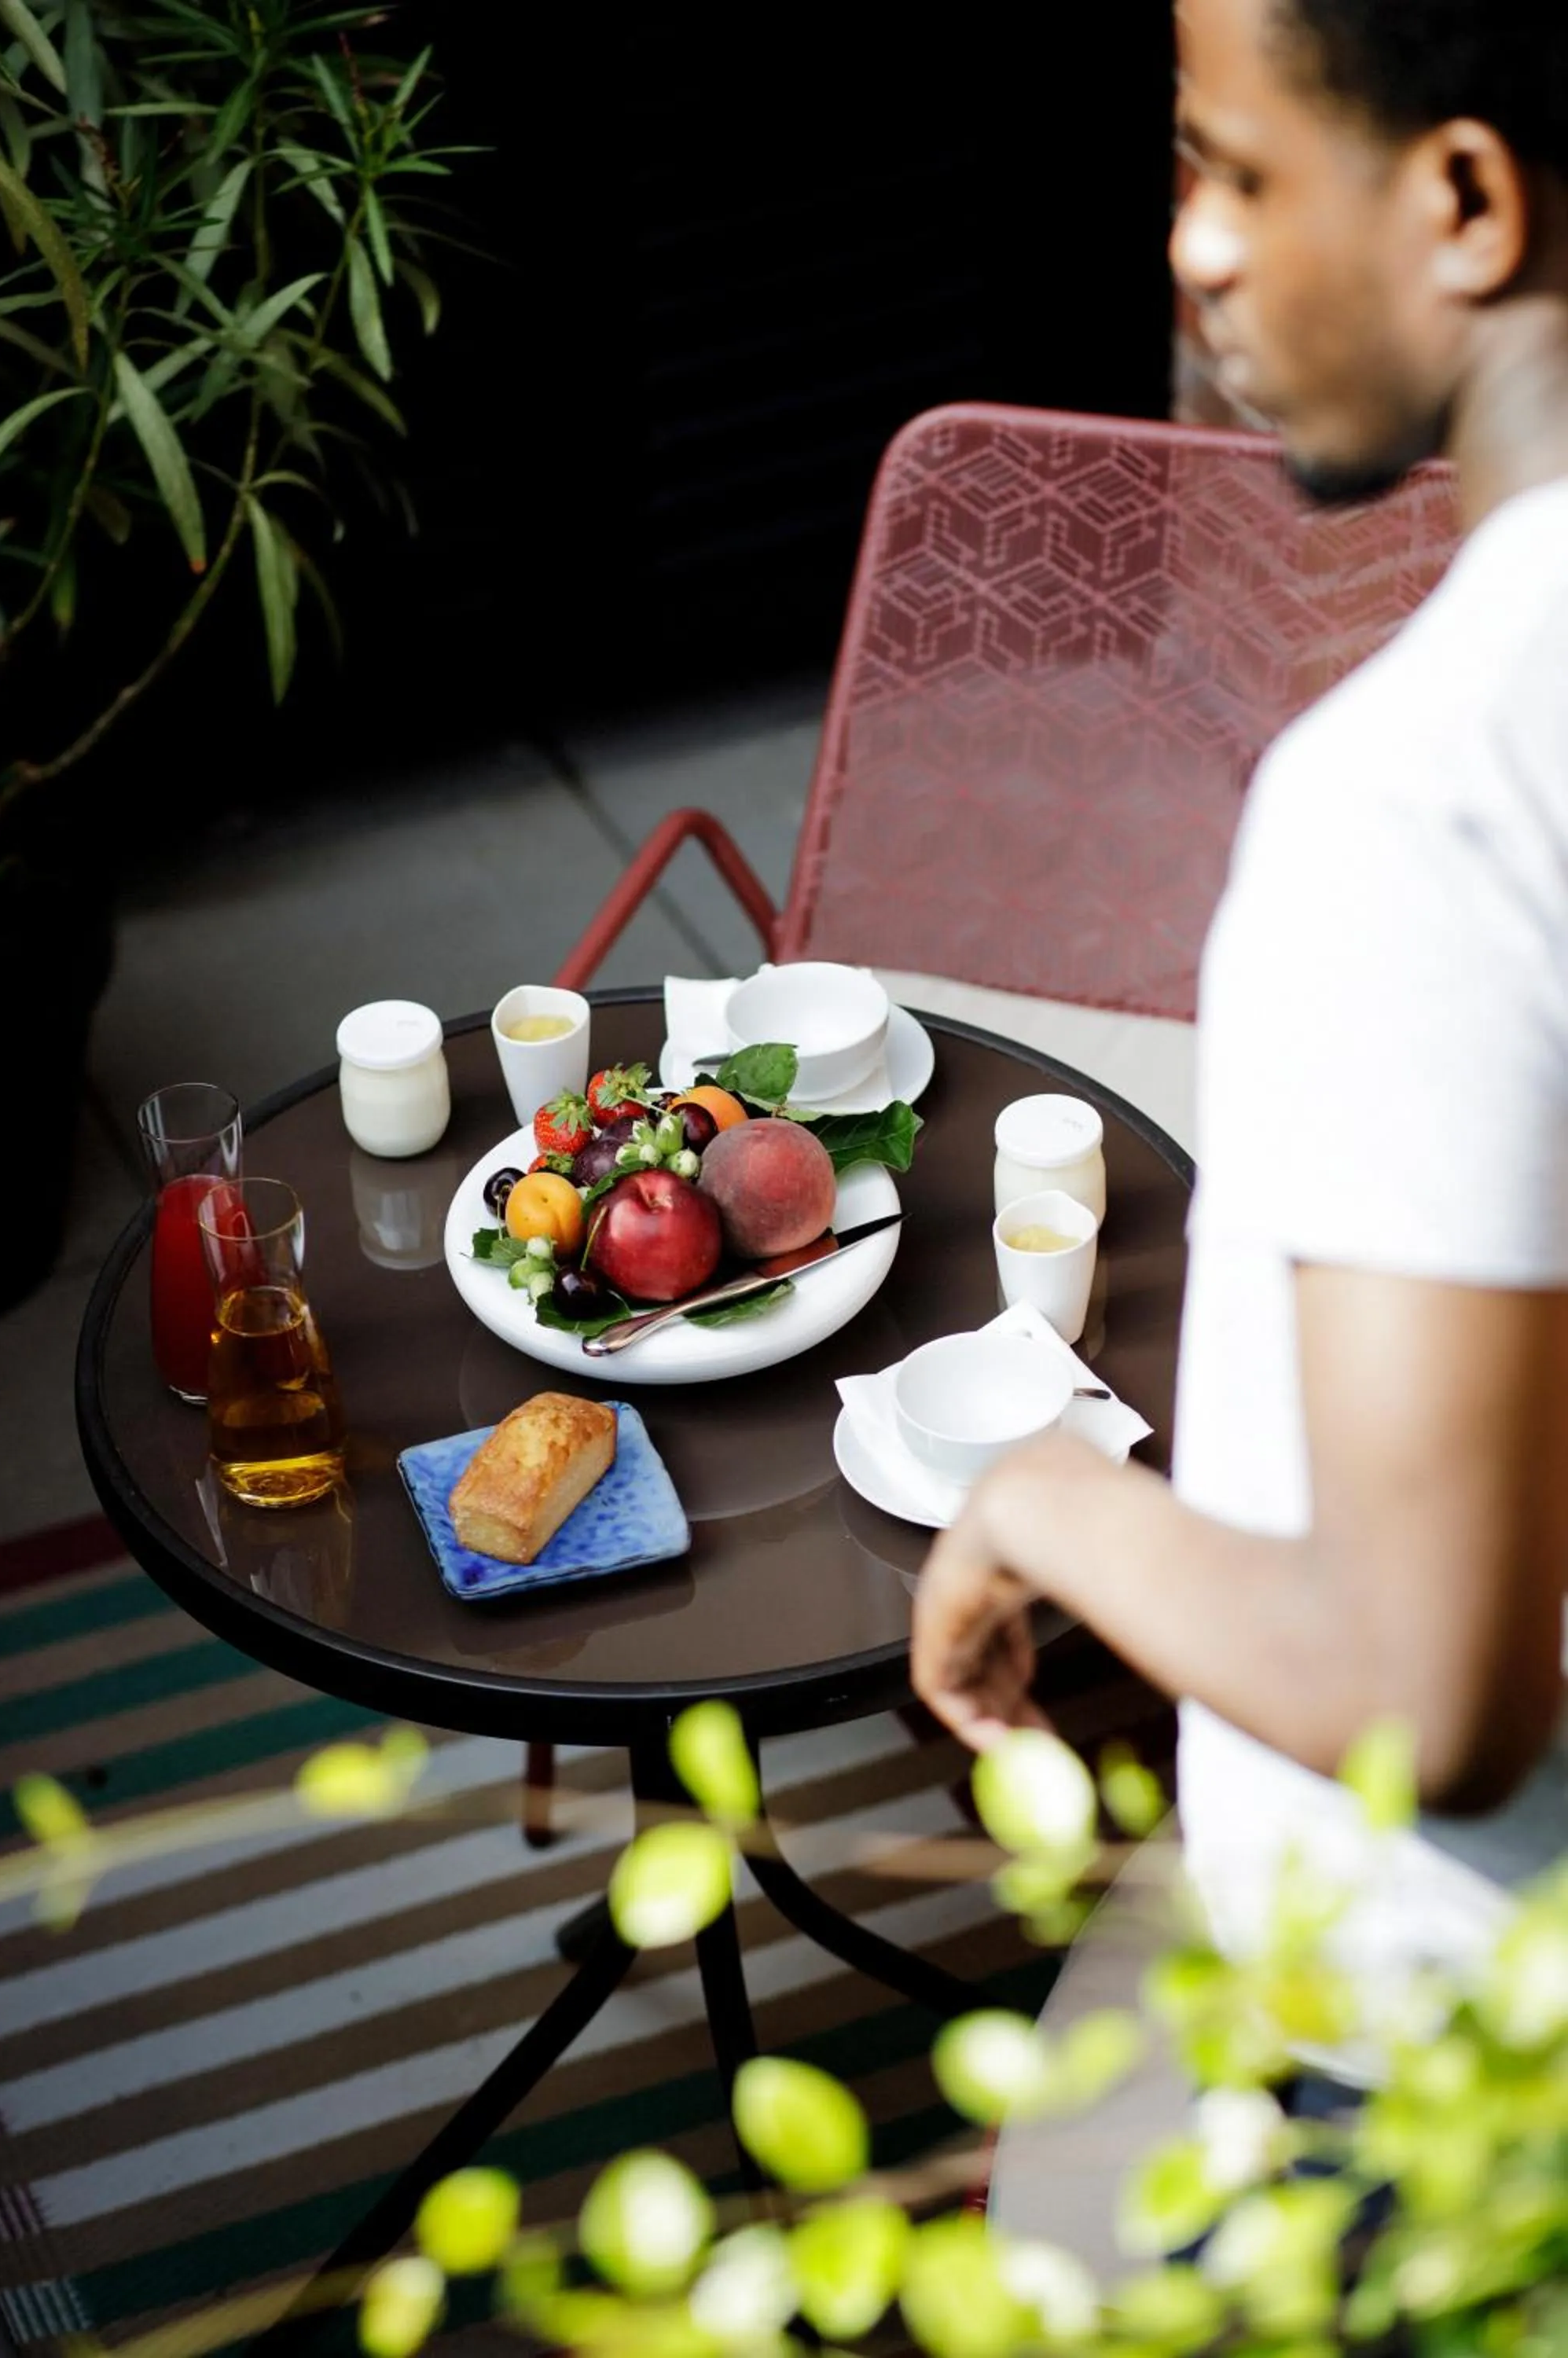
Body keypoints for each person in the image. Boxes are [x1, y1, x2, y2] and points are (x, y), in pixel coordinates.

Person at [911, 0, 1568, 2048]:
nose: (1189, 244)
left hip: (1457, 2066)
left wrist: (1036, 1500)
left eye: (1234, 163)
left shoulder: (1422, 799)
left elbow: (1421, 1694)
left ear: (1461, 198)